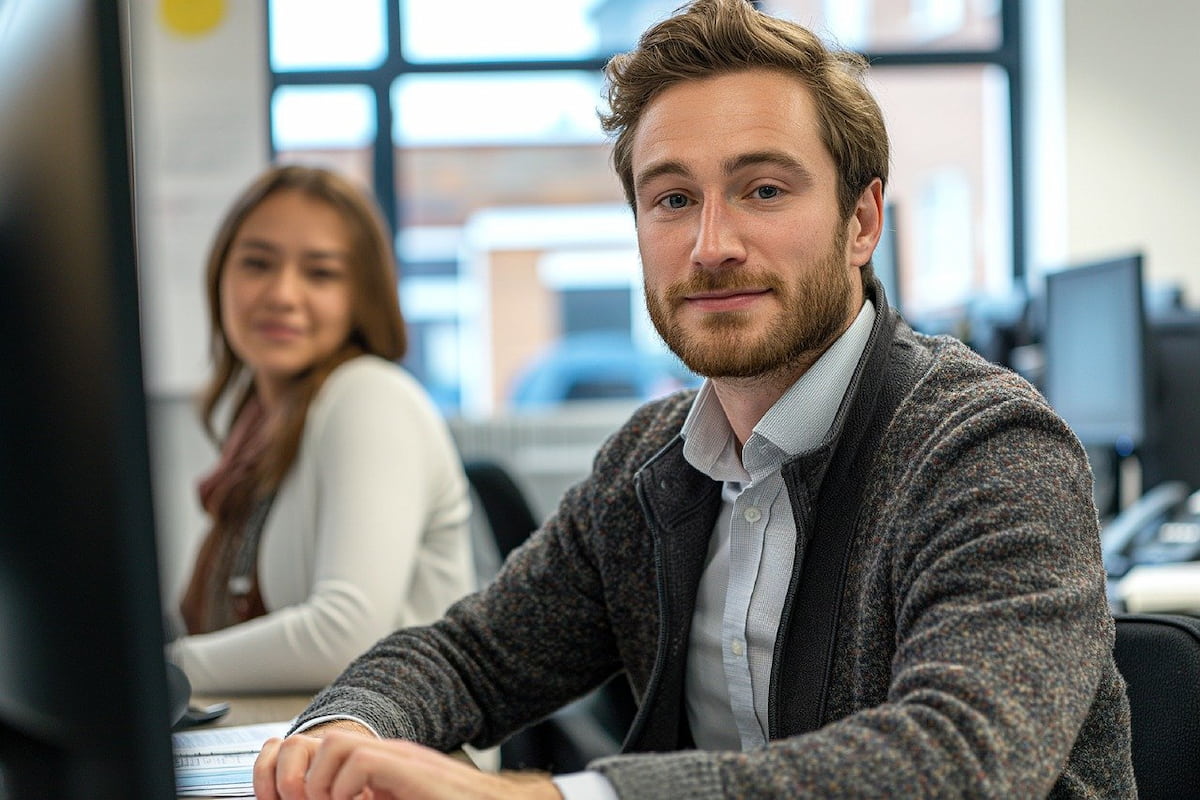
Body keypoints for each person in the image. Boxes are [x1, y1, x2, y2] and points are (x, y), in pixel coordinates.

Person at [253, 1, 1135, 797]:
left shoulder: (987, 448)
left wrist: (558, 799)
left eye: (763, 190)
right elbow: (473, 656)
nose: (711, 245)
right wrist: (341, 735)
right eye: (673, 198)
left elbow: (961, 760)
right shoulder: (650, 464)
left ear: (862, 222)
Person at [168, 165, 475, 694]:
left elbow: (346, 635)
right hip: (303, 739)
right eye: (257, 264)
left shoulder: (369, 396)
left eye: (320, 273)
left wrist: (161, 671)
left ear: (362, 296)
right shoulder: (260, 423)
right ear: (221, 274)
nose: (282, 294)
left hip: (410, 755)